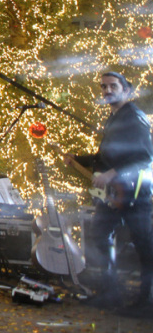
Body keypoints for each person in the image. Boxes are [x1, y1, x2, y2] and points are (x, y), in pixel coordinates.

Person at [64, 71, 153, 316]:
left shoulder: (134, 118)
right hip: (112, 194)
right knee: (100, 237)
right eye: (103, 87)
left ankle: (147, 304)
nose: (107, 91)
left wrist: (112, 174)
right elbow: (107, 156)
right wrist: (78, 158)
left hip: (135, 194)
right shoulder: (113, 118)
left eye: (113, 86)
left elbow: (145, 157)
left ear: (126, 90)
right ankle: (110, 293)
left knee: (146, 247)